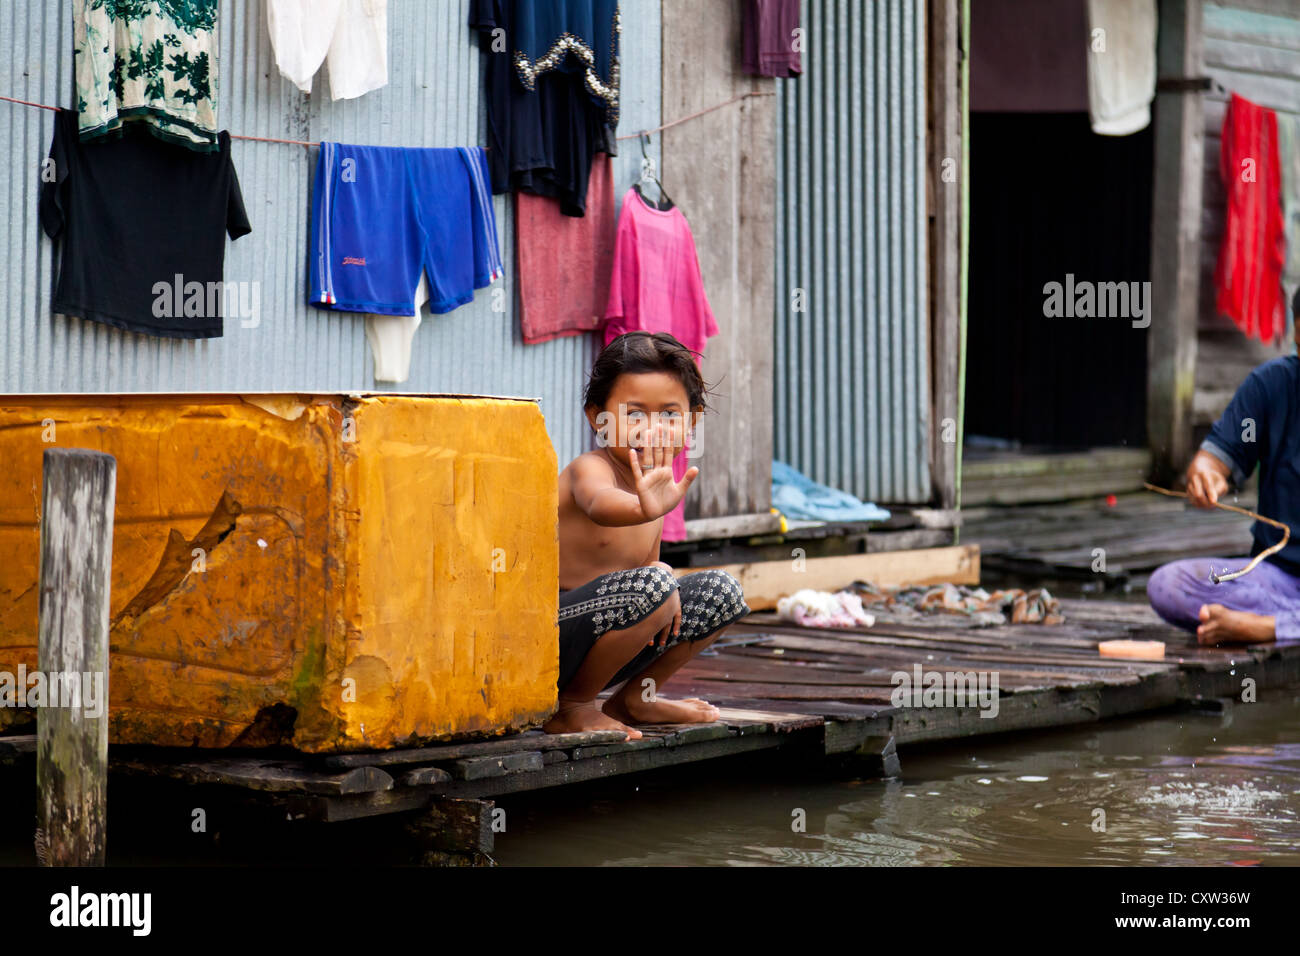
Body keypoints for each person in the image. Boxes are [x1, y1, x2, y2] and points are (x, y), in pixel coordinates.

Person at [545, 331, 750, 739]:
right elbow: (599, 503)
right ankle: (572, 706)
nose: (652, 428)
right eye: (635, 414)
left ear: (691, 422)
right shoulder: (592, 468)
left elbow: (645, 566)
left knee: (720, 590)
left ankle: (636, 698)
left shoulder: (657, 489)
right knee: (654, 585)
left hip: (613, 637)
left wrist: (659, 564)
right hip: (551, 636)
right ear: (597, 418)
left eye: (669, 415)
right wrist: (643, 509)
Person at [1147, 287, 1300, 645]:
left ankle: (1265, 628)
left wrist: (1265, 628)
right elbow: (1212, 460)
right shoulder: (1271, 386)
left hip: (1268, 614)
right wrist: (1205, 476)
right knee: (1169, 585)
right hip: (1273, 581)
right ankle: (1281, 623)